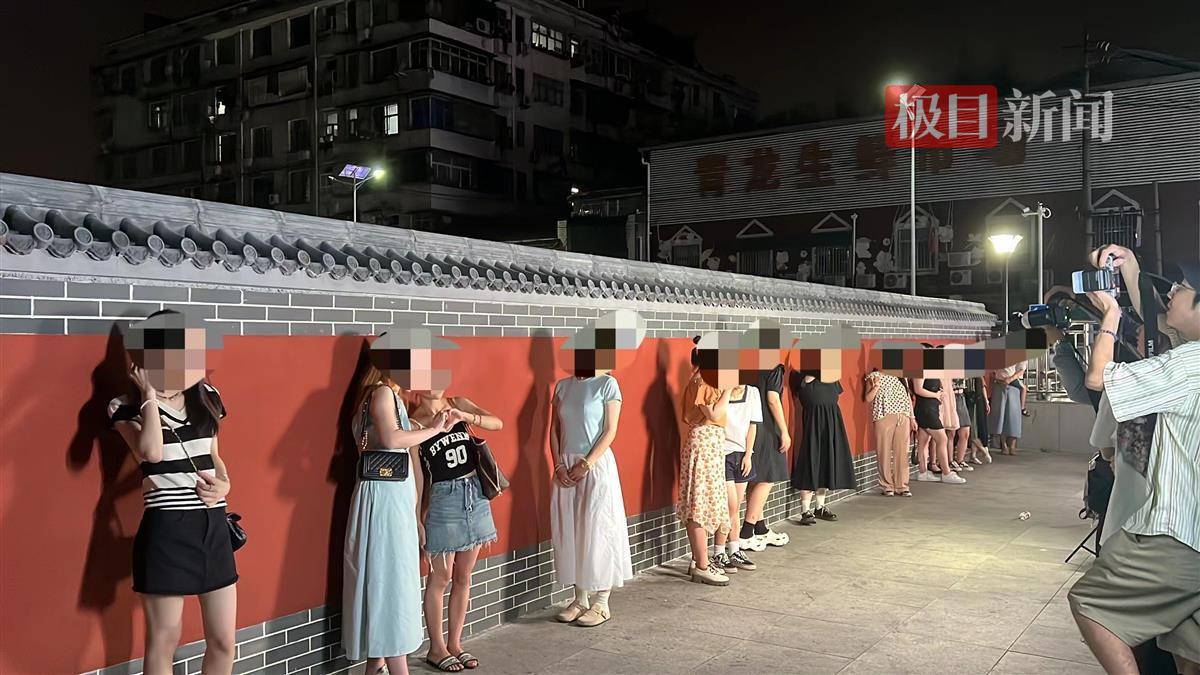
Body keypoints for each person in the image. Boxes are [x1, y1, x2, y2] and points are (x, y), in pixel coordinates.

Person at [1068, 261, 1200, 675]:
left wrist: (1110, 315)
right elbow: (1161, 322)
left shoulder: (1190, 362)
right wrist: (1128, 265)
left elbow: (1097, 378)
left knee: (1091, 604)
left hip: (1177, 532)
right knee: (1188, 645)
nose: (1171, 293)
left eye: (1181, 288)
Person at [109, 310, 237, 675]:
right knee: (164, 640)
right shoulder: (124, 406)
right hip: (166, 528)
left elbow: (214, 456)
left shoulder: (207, 396)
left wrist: (225, 484)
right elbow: (150, 452)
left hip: (213, 526)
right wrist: (149, 395)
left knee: (223, 641)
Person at [343, 329, 450, 675]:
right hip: (385, 500)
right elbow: (391, 440)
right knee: (389, 580)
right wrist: (435, 429)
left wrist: (416, 515)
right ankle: (395, 664)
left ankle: (376, 666)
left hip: (390, 499)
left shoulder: (385, 396)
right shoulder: (382, 394)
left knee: (386, 578)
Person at [550, 311, 641, 627]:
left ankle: (602, 602)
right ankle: (580, 599)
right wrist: (559, 464)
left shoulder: (608, 384)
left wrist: (586, 463)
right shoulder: (562, 387)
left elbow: (610, 430)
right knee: (572, 530)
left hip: (596, 465)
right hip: (565, 467)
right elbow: (554, 430)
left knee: (598, 528)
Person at [411, 389, 503, 672]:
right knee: (441, 577)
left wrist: (465, 416)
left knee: (464, 575)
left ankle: (455, 644)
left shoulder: (457, 403)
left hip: (475, 494)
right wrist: (418, 518)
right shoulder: (414, 422)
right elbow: (418, 476)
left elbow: (497, 423)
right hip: (443, 498)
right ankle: (436, 648)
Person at [679, 336, 732, 586]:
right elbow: (714, 413)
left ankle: (697, 560)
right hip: (704, 442)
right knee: (699, 503)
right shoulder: (703, 380)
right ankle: (702, 565)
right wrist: (729, 389)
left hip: (708, 442)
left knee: (703, 501)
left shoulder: (704, 378)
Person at [791, 373, 858, 521]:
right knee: (811, 463)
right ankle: (805, 510)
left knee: (826, 464)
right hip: (813, 427)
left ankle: (819, 507)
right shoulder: (805, 378)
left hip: (831, 425)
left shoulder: (831, 379)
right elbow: (806, 383)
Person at [712, 381, 761, 572]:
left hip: (741, 454)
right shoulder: (719, 390)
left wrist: (748, 455)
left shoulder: (753, 393)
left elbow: (752, 426)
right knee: (729, 506)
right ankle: (718, 552)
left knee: (736, 507)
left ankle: (734, 549)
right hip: (721, 452)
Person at [743, 360, 792, 550]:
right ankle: (747, 531)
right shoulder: (773, 368)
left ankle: (760, 528)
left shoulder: (744, 365)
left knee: (756, 477)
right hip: (767, 429)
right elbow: (773, 399)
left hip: (748, 427)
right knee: (767, 479)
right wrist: (784, 431)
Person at [866, 369, 916, 497]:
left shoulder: (902, 376)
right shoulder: (874, 376)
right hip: (884, 415)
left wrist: (912, 417)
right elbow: (868, 398)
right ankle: (886, 485)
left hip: (903, 416)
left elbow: (907, 397)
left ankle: (902, 486)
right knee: (884, 451)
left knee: (902, 452)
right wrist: (876, 386)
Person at [913, 376, 966, 484]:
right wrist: (936, 395)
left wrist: (940, 394)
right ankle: (946, 472)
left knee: (924, 441)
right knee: (942, 439)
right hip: (926, 409)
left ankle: (922, 472)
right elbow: (918, 389)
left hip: (932, 407)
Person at [989, 360, 1026, 456]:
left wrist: (1011, 379)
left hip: (1013, 384)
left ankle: (1012, 446)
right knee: (1000, 416)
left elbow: (1021, 370)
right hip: (999, 383)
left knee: (1014, 417)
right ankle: (1004, 445)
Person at [965, 376, 992, 464]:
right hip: (968, 400)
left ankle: (973, 455)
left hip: (978, 400)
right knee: (972, 428)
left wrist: (986, 401)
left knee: (976, 428)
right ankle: (983, 450)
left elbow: (983, 386)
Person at [949, 378, 973, 472]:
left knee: (965, 431)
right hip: (950, 394)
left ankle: (960, 460)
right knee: (951, 432)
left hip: (961, 395)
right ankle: (950, 461)